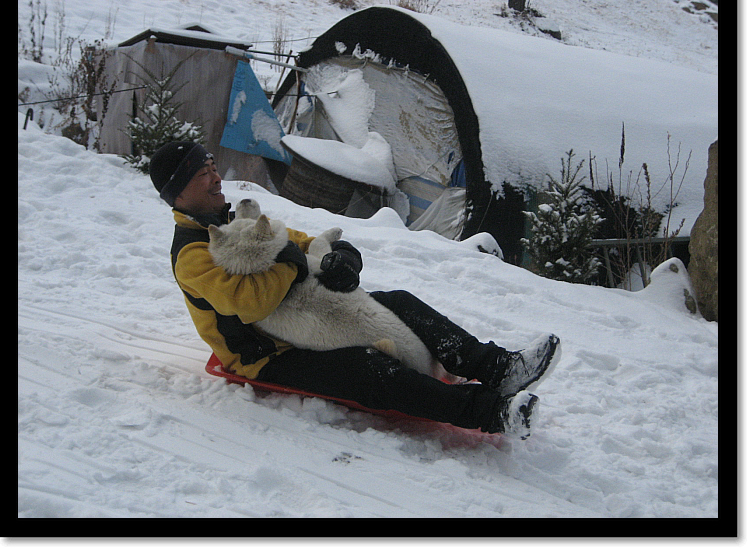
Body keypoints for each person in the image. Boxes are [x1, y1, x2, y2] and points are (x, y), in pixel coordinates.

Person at [150, 141, 560, 438]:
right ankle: (490, 413)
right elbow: (251, 303)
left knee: (397, 304)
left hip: (308, 314)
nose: (217, 178)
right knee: (368, 367)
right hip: (266, 353)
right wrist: (292, 262)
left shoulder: (226, 218)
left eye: (213, 169)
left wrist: (339, 256)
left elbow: (299, 241)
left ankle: (498, 368)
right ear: (179, 191)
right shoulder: (193, 254)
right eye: (203, 174)